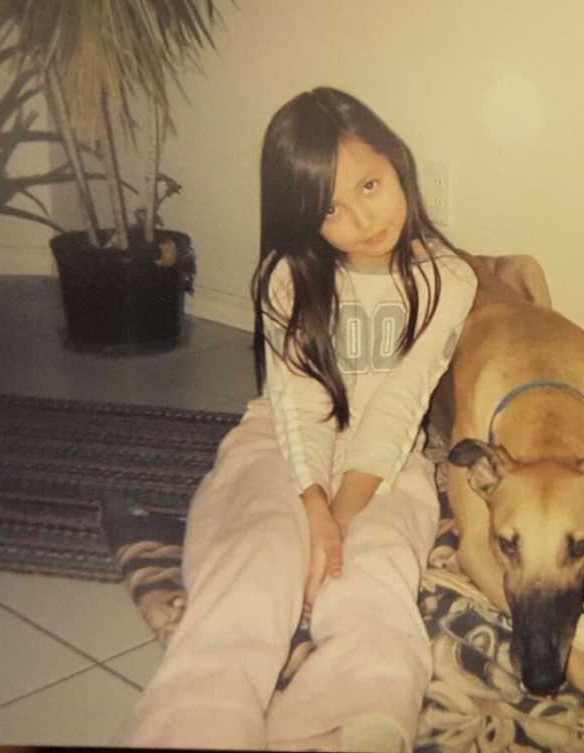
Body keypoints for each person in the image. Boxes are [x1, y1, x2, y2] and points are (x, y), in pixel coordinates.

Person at [113, 87, 477, 751]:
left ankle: (350, 723)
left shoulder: (447, 279)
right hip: (280, 441)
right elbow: (297, 401)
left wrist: (340, 521)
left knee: (376, 573)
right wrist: (312, 504)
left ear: (398, 163)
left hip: (389, 461)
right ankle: (199, 720)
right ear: (302, 219)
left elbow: (397, 408)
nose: (362, 218)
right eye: (329, 208)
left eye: (370, 184)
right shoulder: (287, 276)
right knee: (256, 558)